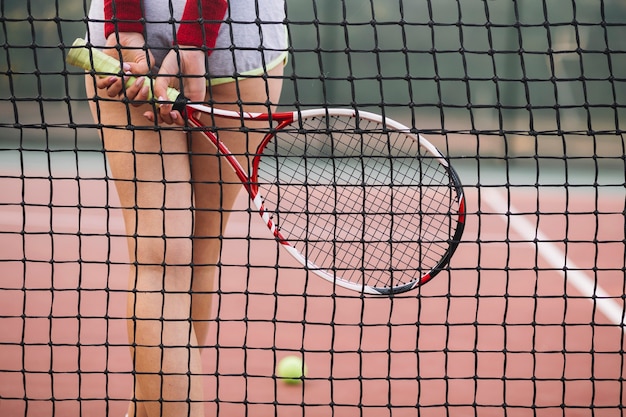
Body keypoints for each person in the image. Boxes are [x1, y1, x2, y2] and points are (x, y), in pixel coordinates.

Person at [84, 1, 287, 416]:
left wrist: (124, 28)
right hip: (241, 37)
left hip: (134, 33)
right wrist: (194, 36)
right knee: (198, 254)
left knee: (159, 266)